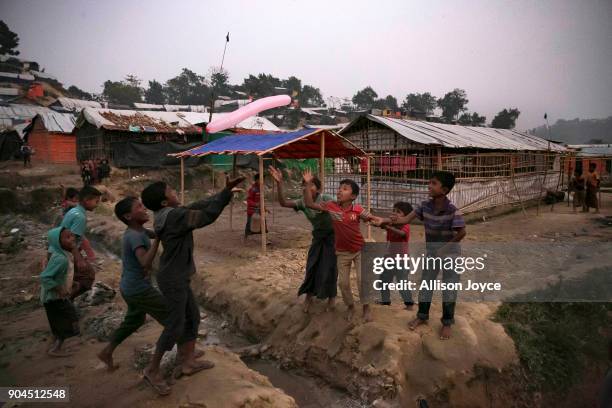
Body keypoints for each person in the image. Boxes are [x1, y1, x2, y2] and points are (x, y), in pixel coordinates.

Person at [141, 175, 245, 395]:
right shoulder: (174, 217)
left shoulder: (167, 214)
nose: (175, 191)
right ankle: (152, 369)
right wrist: (224, 196)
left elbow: (196, 206)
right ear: (163, 202)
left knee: (193, 317)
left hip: (176, 276)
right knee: (175, 324)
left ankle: (186, 360)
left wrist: (224, 192)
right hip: (173, 278)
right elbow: (205, 215)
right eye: (170, 190)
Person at [373, 171, 466, 340]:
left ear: (444, 189)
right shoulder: (424, 206)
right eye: (429, 182)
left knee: (449, 288)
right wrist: (383, 221)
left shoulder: (453, 210)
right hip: (432, 253)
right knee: (426, 285)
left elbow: (461, 233)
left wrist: (443, 250)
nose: (429, 186)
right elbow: (404, 220)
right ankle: (422, 316)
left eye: (433, 183)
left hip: (450, 254)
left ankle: (447, 323)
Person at [97, 197, 165, 374]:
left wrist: (160, 232)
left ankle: (107, 351)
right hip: (138, 289)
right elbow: (144, 262)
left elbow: (151, 233)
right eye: (139, 207)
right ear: (128, 216)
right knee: (172, 317)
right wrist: (158, 241)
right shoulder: (135, 236)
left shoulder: (137, 230)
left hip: (129, 286)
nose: (144, 208)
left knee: (135, 320)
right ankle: (172, 359)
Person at [301, 169, 378, 322]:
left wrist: (383, 222)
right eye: (339, 188)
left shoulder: (357, 209)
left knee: (362, 281)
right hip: (342, 253)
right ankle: (350, 306)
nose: (339, 191)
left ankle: (366, 308)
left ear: (353, 196)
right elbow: (309, 204)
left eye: (344, 189)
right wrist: (308, 183)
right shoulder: (331, 206)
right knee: (343, 283)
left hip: (359, 250)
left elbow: (372, 218)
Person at [269, 166, 337, 313]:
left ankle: (331, 297)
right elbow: (283, 203)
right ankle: (308, 296)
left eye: (310, 184)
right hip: (318, 236)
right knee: (312, 265)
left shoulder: (326, 199)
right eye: (304, 184)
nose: (305, 186)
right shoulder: (301, 201)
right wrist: (279, 183)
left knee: (330, 266)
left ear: (318, 190)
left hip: (332, 237)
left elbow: (311, 204)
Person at [40, 227, 80, 357]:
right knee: (67, 320)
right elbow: (45, 277)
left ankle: (56, 342)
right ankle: (55, 349)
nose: (72, 239)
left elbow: (62, 274)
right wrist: (60, 288)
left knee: (66, 318)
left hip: (57, 297)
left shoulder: (64, 254)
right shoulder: (60, 259)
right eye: (67, 237)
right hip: (53, 298)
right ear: (58, 242)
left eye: (72, 235)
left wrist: (70, 283)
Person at [61, 185, 102, 299]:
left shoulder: (75, 211)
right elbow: (71, 240)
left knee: (74, 277)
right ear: (86, 200)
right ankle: (67, 300)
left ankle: (67, 299)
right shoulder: (80, 217)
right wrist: (79, 259)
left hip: (62, 249)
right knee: (88, 276)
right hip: (66, 251)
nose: (97, 205)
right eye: (96, 201)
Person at [377, 201, 415, 309]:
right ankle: (385, 302)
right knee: (384, 280)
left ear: (406, 217)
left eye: (398, 212)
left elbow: (402, 234)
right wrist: (379, 222)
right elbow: (382, 224)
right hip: (389, 258)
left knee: (402, 283)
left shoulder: (406, 226)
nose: (394, 213)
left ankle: (409, 304)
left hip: (401, 260)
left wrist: (387, 227)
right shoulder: (391, 223)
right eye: (393, 210)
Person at [244, 173, 264, 240]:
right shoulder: (253, 189)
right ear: (257, 180)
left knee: (263, 223)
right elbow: (248, 200)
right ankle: (246, 236)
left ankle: (264, 238)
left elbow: (262, 200)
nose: (263, 181)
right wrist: (255, 204)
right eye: (261, 179)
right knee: (249, 223)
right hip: (252, 210)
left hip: (259, 210)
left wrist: (265, 208)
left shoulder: (260, 188)